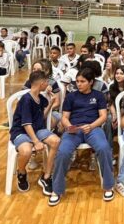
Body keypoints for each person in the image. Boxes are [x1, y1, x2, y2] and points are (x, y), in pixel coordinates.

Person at [49, 67, 115, 204]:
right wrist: (68, 126)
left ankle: (108, 186)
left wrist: (91, 126)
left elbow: (103, 116)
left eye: (82, 81)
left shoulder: (98, 96)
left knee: (104, 149)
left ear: (91, 82)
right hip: (74, 129)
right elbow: (65, 117)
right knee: (62, 152)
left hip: (93, 128)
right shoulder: (71, 96)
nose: (78, 84)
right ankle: (57, 189)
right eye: (77, 81)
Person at [10, 70, 60, 195]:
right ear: (42, 83)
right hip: (21, 131)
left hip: (37, 129)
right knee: (26, 151)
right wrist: (36, 141)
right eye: (47, 82)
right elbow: (26, 124)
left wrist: (51, 102)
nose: (48, 85)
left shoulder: (41, 98)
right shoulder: (26, 100)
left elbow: (41, 117)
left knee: (56, 141)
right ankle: (21, 172)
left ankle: (46, 176)